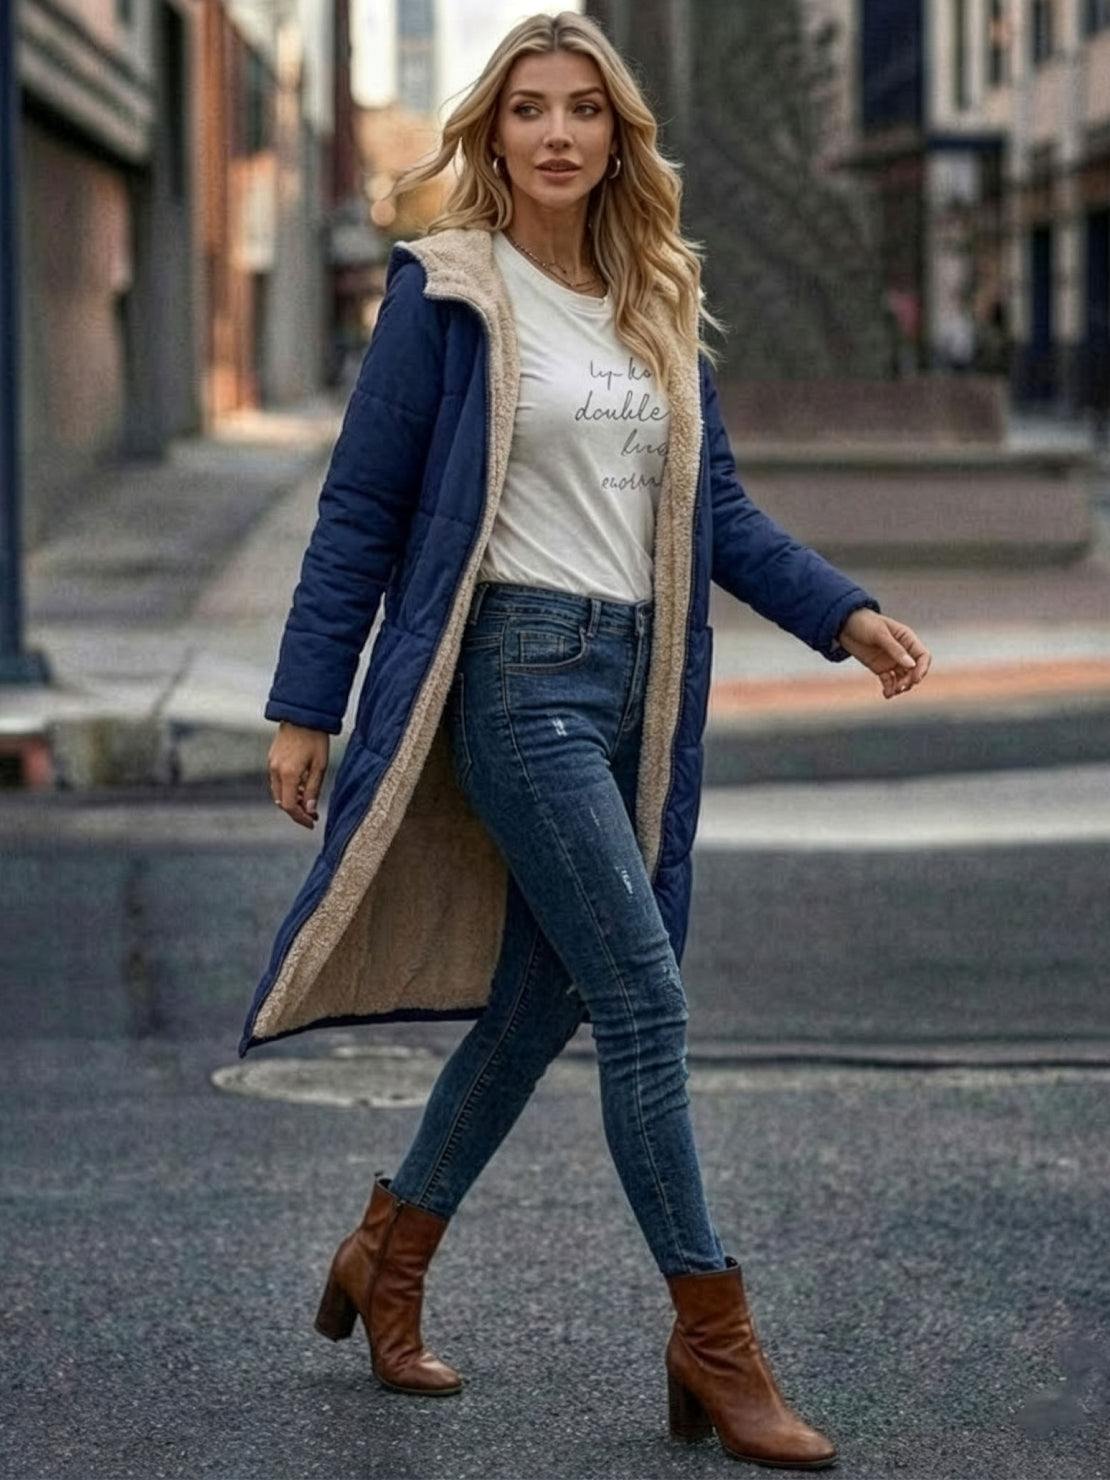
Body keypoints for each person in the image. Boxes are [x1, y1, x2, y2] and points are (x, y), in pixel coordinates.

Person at [250, 12, 932, 1469]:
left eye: (583, 112)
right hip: (516, 677)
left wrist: (844, 612)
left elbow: (716, 513)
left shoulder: (654, 298)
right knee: (644, 999)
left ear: (619, 138)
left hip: (637, 686)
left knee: (546, 1001)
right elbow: (361, 510)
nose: (556, 134)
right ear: (490, 135)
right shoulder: (447, 291)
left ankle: (390, 1248)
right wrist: (305, 703)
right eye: (527, 110)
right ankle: (714, 1337)